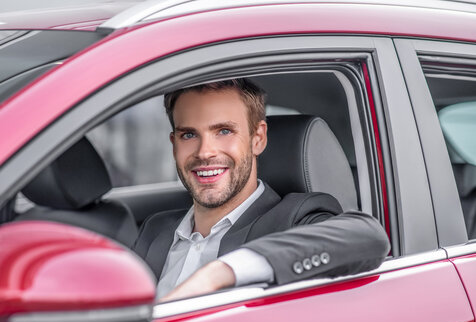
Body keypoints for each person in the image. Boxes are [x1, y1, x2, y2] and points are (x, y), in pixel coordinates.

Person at [133, 79, 390, 302]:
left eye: (224, 131)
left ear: (258, 138)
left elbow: (368, 237)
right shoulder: (156, 228)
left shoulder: (294, 217)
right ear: (174, 144)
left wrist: (219, 273)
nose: (204, 152)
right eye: (189, 135)